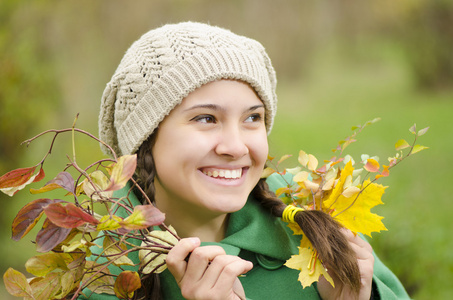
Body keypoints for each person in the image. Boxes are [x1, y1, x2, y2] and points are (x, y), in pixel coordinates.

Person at [81, 21, 411, 300]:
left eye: (252, 118)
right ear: (145, 139)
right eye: (206, 119)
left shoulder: (315, 216)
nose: (236, 147)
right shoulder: (105, 275)